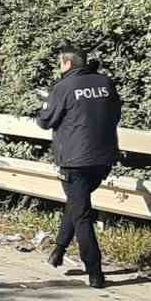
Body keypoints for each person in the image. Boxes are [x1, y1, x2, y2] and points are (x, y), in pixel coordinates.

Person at [35, 44, 122, 288]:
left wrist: (41, 108)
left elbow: (46, 121)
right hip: (103, 158)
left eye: (60, 63)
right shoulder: (105, 83)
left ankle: (95, 271)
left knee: (82, 213)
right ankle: (59, 251)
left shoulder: (63, 87)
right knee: (77, 203)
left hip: (74, 160)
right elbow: (116, 114)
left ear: (67, 64)